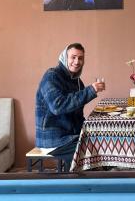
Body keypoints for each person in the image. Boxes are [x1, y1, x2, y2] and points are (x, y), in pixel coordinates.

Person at [35, 43, 105, 171]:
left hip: (70, 135)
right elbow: (58, 106)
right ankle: (75, 183)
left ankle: (90, 180)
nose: (77, 61)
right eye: (73, 57)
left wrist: (93, 128)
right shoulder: (52, 75)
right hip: (53, 139)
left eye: (80, 58)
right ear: (64, 58)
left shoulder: (77, 82)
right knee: (92, 150)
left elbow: (77, 115)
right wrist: (90, 90)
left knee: (101, 140)